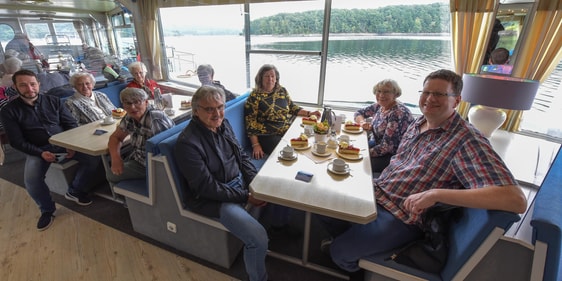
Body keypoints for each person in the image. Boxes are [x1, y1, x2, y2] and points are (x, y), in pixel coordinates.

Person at [320, 69, 527, 279]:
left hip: (401, 215)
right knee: (324, 201)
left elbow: (516, 199)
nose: (429, 99)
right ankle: (350, 240)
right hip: (378, 189)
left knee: (339, 252)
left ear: (456, 101)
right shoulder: (417, 124)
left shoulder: (466, 140)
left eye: (439, 94)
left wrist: (436, 194)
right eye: (426, 92)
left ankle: (354, 264)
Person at [175, 85, 269, 281]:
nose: (217, 113)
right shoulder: (187, 143)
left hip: (238, 183)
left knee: (277, 188)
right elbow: (207, 188)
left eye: (220, 107)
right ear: (196, 110)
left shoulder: (223, 124)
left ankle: (278, 224)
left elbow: (242, 157)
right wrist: (247, 195)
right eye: (209, 109)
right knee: (258, 239)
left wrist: (255, 181)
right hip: (214, 199)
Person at [0, 69, 102, 231]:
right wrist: (40, 153)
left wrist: (70, 144)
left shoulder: (54, 101)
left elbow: (71, 125)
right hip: (37, 149)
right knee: (32, 181)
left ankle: (75, 190)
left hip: (64, 143)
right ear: (15, 87)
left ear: (38, 84)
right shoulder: (9, 110)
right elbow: (16, 141)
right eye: (23, 85)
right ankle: (47, 210)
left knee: (94, 159)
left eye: (33, 84)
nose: (30, 89)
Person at [244, 64, 320, 159]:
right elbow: (251, 123)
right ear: (260, 79)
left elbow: (292, 107)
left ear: (276, 79)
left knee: (307, 142)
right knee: (290, 152)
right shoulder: (254, 97)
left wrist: (309, 113)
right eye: (267, 76)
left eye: (273, 76)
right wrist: (255, 145)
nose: (270, 79)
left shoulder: (282, 91)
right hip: (267, 135)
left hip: (286, 129)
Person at [106, 87, 174, 185]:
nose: (133, 107)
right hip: (139, 156)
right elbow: (115, 137)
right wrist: (116, 158)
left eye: (137, 102)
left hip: (152, 164)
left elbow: (165, 152)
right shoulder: (130, 116)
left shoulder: (154, 119)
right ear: (123, 106)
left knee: (111, 174)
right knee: (116, 163)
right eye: (128, 103)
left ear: (146, 102)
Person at [354, 79, 414, 173]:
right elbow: (359, 113)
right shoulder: (380, 105)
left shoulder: (397, 113)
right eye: (379, 91)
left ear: (395, 94)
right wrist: (362, 123)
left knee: (358, 163)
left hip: (393, 156)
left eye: (386, 92)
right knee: (351, 147)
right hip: (377, 144)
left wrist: (361, 153)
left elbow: (386, 148)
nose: (381, 95)